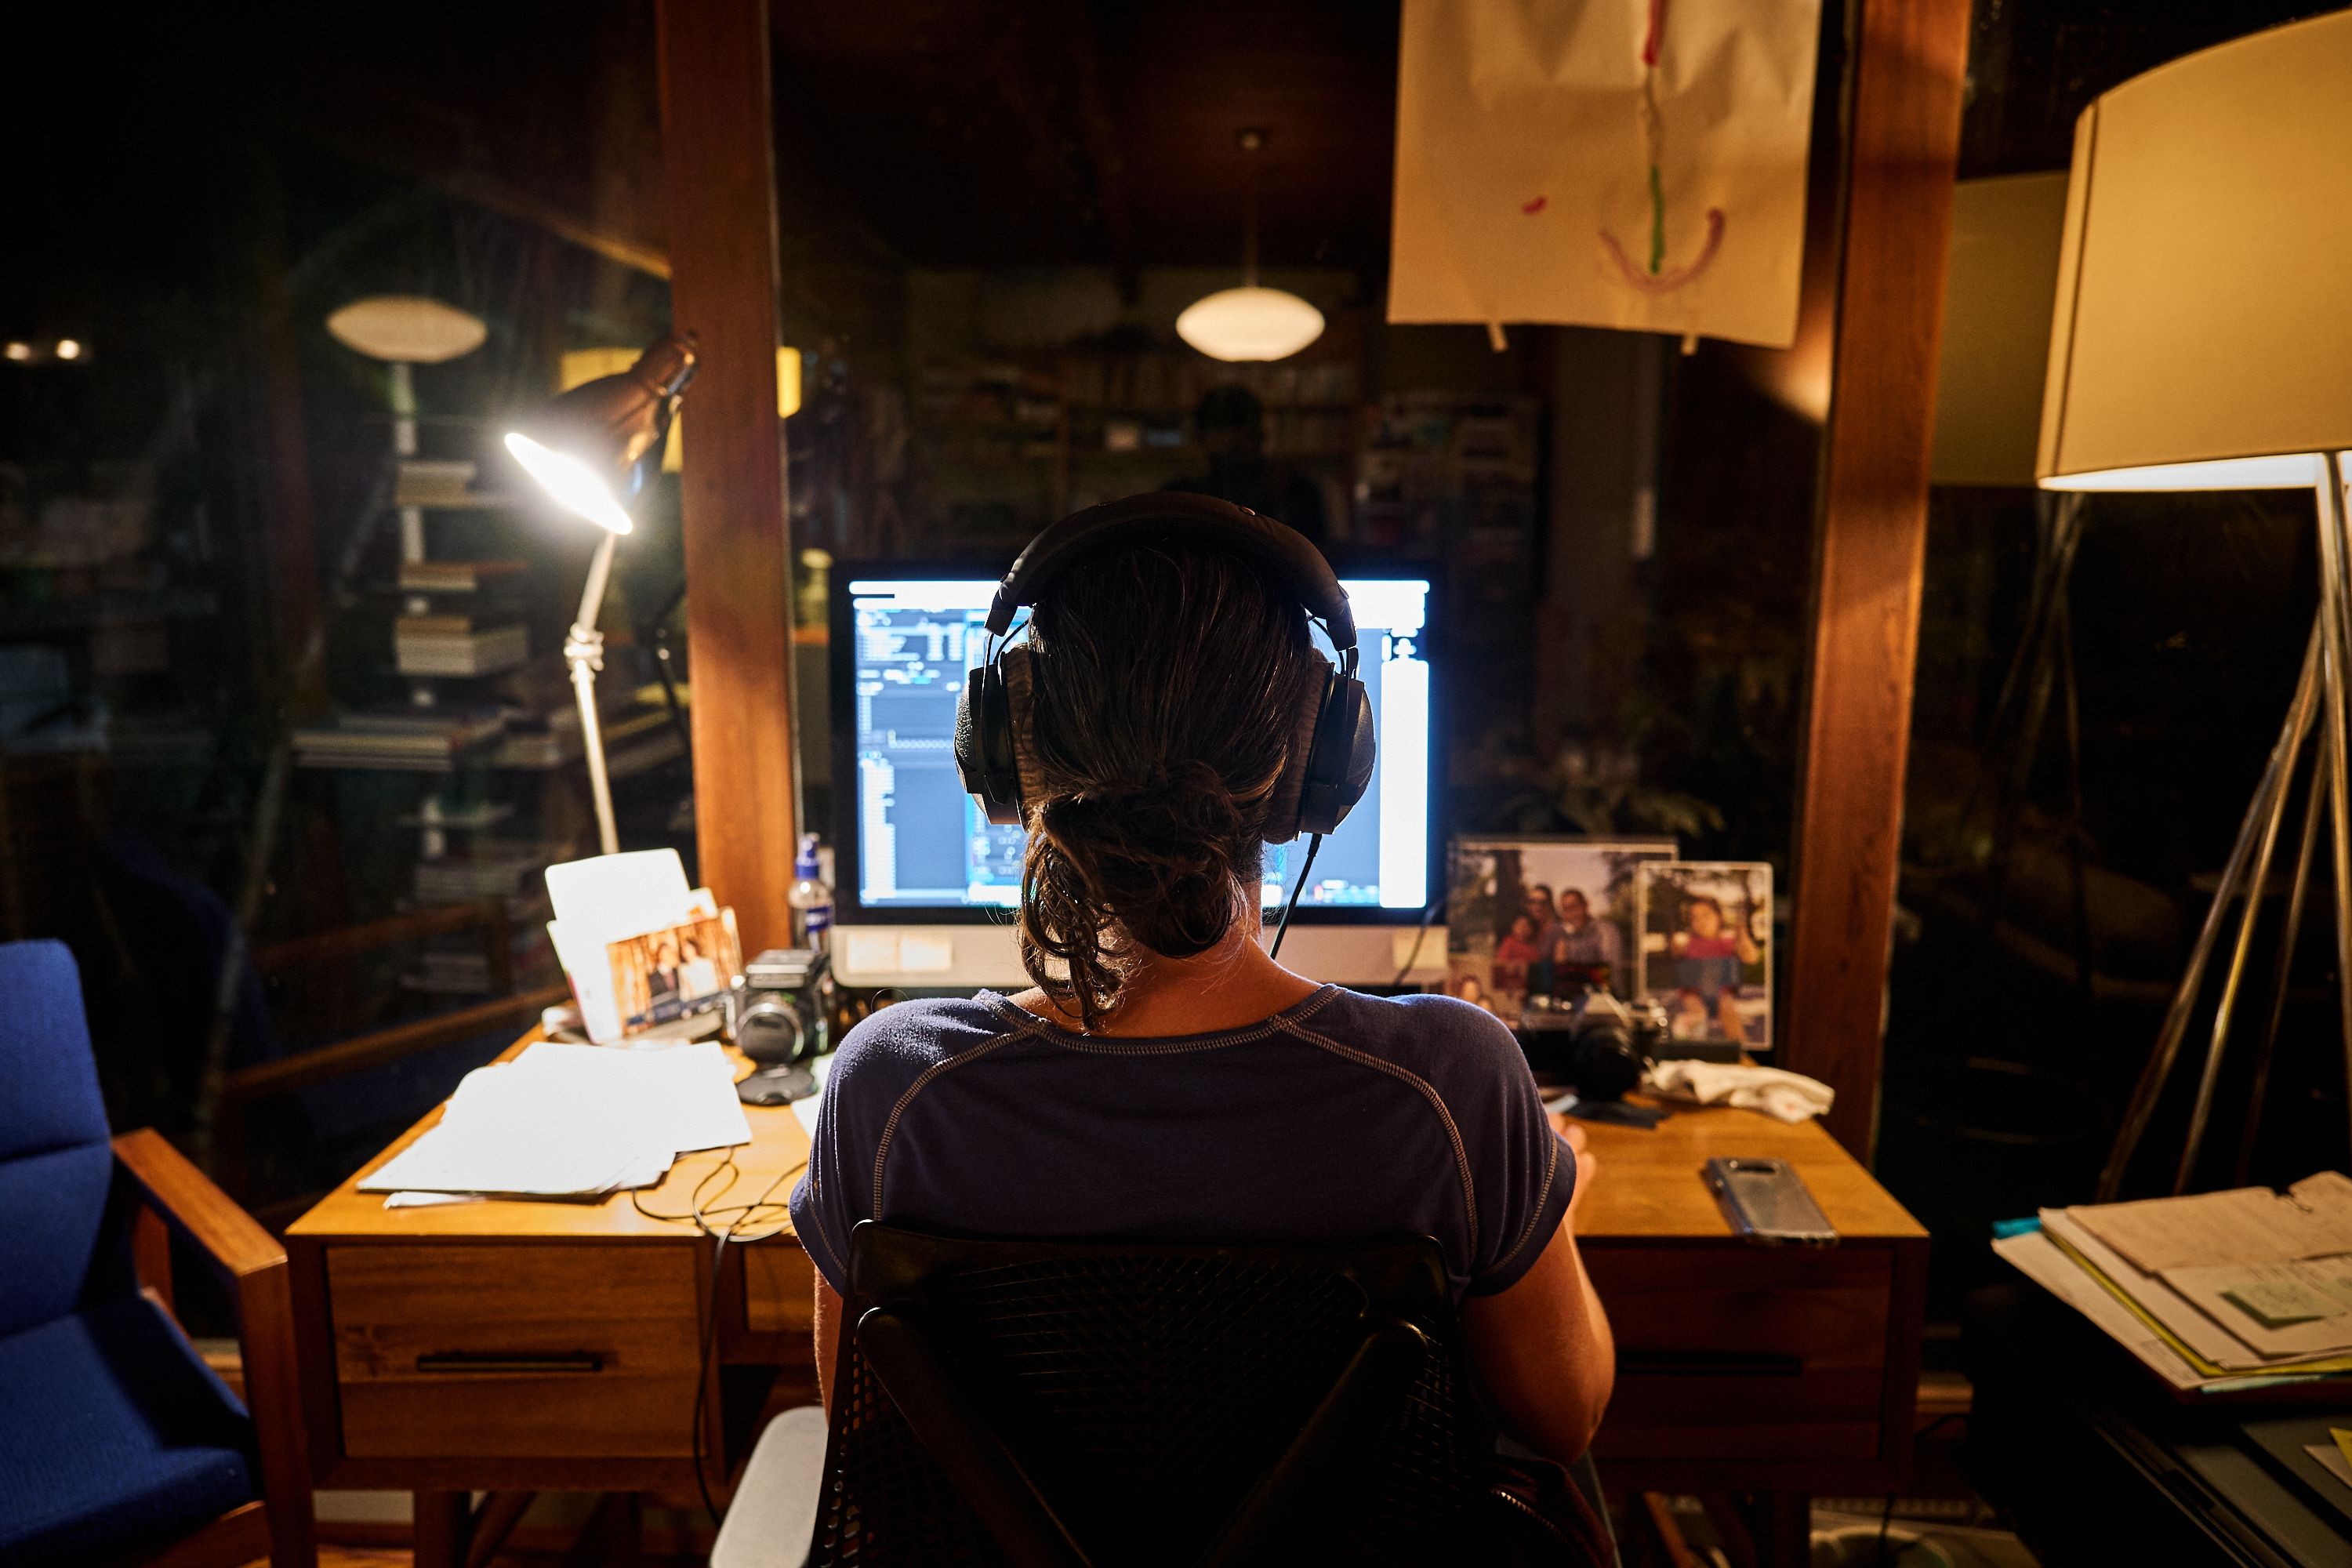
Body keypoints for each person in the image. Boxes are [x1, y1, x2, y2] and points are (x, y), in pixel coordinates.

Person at [790, 517, 1613, 1471]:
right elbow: (1566, 1417)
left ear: (1007, 763)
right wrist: (1560, 1205)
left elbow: (861, 1434)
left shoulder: (893, 1086)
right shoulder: (1452, 1085)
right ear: (1317, 773)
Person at [1162, 386, 1329, 543]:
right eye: (1221, 430)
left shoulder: (1297, 492)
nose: (1232, 441)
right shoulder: (1180, 494)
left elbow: (1314, 554)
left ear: (1259, 435)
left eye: (1240, 429)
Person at [1670, 892, 1761, 1042]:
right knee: (1696, 1013)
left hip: (1722, 993)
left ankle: (1738, 1047)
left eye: (1706, 915)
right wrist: (1676, 944)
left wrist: (1743, 936)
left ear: (1719, 916)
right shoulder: (1688, 943)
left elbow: (1751, 958)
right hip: (1693, 993)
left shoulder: (1729, 942)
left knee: (1727, 1009)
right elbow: (1676, 951)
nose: (1700, 921)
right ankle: (1693, 1047)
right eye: (1695, 918)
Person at [1550, 887, 1623, 989]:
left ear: (1586, 905)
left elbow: (1609, 971)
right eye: (1566, 910)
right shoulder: (1567, 936)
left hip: (1605, 996)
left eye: (1574, 907)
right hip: (1577, 997)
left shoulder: (1604, 930)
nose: (1571, 914)